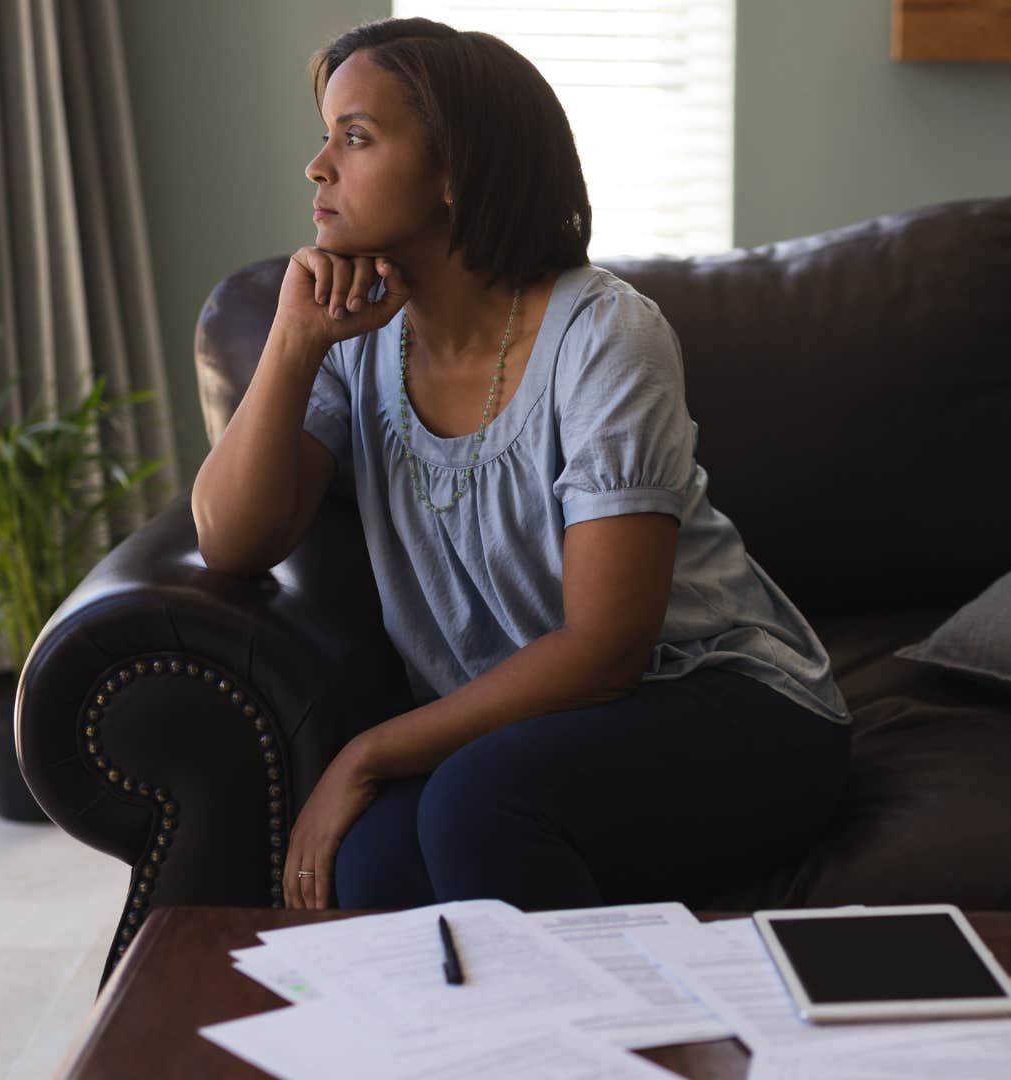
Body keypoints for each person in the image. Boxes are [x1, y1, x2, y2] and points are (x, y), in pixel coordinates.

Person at [190, 17, 851, 915]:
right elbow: (231, 542)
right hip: (527, 737)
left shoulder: (605, 335)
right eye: (325, 134)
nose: (318, 166)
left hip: (727, 701)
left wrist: (368, 751)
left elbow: (606, 653)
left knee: (477, 806)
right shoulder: (352, 341)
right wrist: (295, 338)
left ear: (456, 169)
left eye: (356, 137)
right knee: (370, 864)